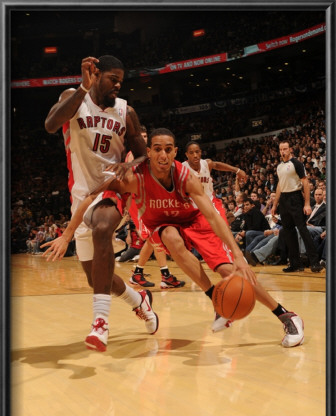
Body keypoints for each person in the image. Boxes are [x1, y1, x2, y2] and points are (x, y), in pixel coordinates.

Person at [44, 128, 305, 348]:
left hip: (195, 221)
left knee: (231, 271)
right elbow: (91, 194)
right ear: (148, 151)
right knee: (168, 236)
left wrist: (238, 255)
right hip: (166, 225)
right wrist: (67, 235)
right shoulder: (135, 178)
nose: (162, 154)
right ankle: (215, 299)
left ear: (175, 152)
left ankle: (286, 315)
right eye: (156, 148)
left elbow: (214, 218)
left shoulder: (185, 176)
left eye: (168, 149)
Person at [43, 55, 159, 352]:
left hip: (112, 189)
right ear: (96, 76)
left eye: (121, 80)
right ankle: (140, 301)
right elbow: (51, 124)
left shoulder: (126, 111)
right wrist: (83, 88)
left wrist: (130, 167)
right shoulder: (74, 98)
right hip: (81, 195)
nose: (118, 85)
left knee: (104, 225)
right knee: (97, 278)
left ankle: (100, 322)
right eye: (112, 79)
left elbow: (143, 153)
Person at [126, 125, 185, 289]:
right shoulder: (133, 155)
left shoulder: (151, 155)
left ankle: (138, 273)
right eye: (141, 136)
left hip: (151, 201)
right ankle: (164, 276)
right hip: (138, 203)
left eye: (146, 136)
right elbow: (130, 184)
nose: (144, 138)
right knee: (156, 237)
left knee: (153, 240)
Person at [271, 141, 323, 273]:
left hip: (295, 198)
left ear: (290, 150)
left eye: (285, 149)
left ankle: (315, 262)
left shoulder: (297, 164)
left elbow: (305, 182)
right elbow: (279, 186)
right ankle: (295, 264)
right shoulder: (279, 166)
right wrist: (274, 204)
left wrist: (306, 203)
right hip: (283, 199)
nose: (283, 151)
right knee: (288, 232)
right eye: (281, 149)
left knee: (303, 230)